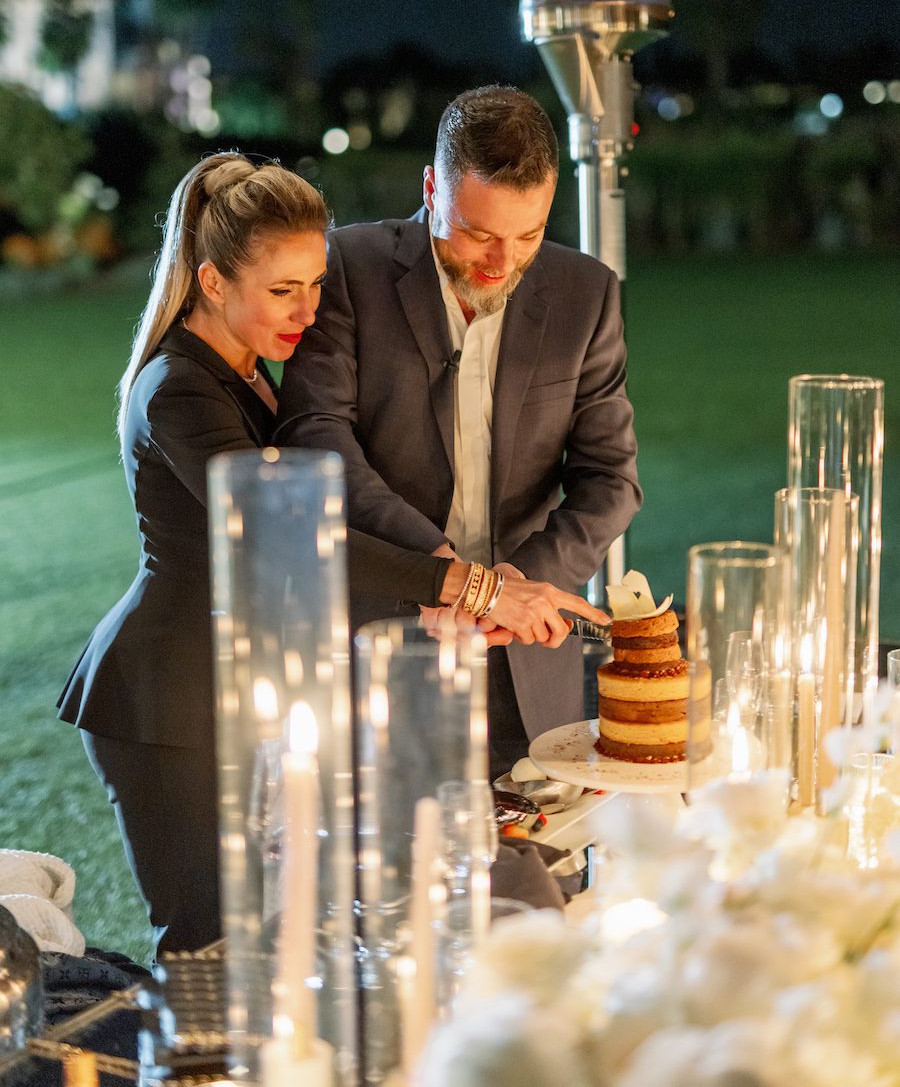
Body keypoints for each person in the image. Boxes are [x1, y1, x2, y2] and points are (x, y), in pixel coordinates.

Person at [57, 151, 607, 958]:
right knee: (211, 944)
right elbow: (293, 542)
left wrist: (443, 608)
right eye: (283, 289)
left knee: (288, 934)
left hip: (237, 687)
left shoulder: (245, 374)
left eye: (317, 284)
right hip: (164, 699)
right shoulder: (180, 388)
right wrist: (472, 587)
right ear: (211, 282)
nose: (308, 311)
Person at [277, 86, 642, 776]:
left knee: (541, 874)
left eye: (527, 235)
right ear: (431, 189)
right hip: (376, 644)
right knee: (381, 869)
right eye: (478, 234)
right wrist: (450, 575)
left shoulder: (586, 294)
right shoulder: (348, 269)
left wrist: (519, 586)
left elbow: (611, 482)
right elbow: (317, 439)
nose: (502, 261)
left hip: (527, 664)